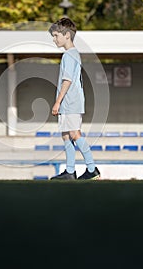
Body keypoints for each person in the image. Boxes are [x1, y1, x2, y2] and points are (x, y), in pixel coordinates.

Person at [49, 17, 100, 180]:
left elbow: (68, 80)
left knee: (74, 134)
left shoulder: (69, 55)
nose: (54, 39)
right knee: (66, 135)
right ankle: (70, 171)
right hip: (68, 103)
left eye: (56, 35)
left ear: (67, 36)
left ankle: (92, 169)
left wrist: (57, 101)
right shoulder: (70, 54)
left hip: (70, 102)